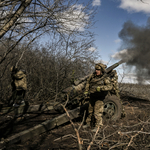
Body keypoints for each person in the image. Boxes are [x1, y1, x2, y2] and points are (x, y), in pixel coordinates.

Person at [83, 63, 113, 131]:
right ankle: (88, 123)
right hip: (92, 96)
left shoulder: (105, 78)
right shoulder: (93, 76)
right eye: (96, 69)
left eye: (98, 70)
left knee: (97, 112)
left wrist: (101, 88)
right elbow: (88, 82)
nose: (96, 71)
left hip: (100, 97)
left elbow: (110, 86)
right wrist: (86, 91)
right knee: (90, 111)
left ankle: (98, 126)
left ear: (101, 70)